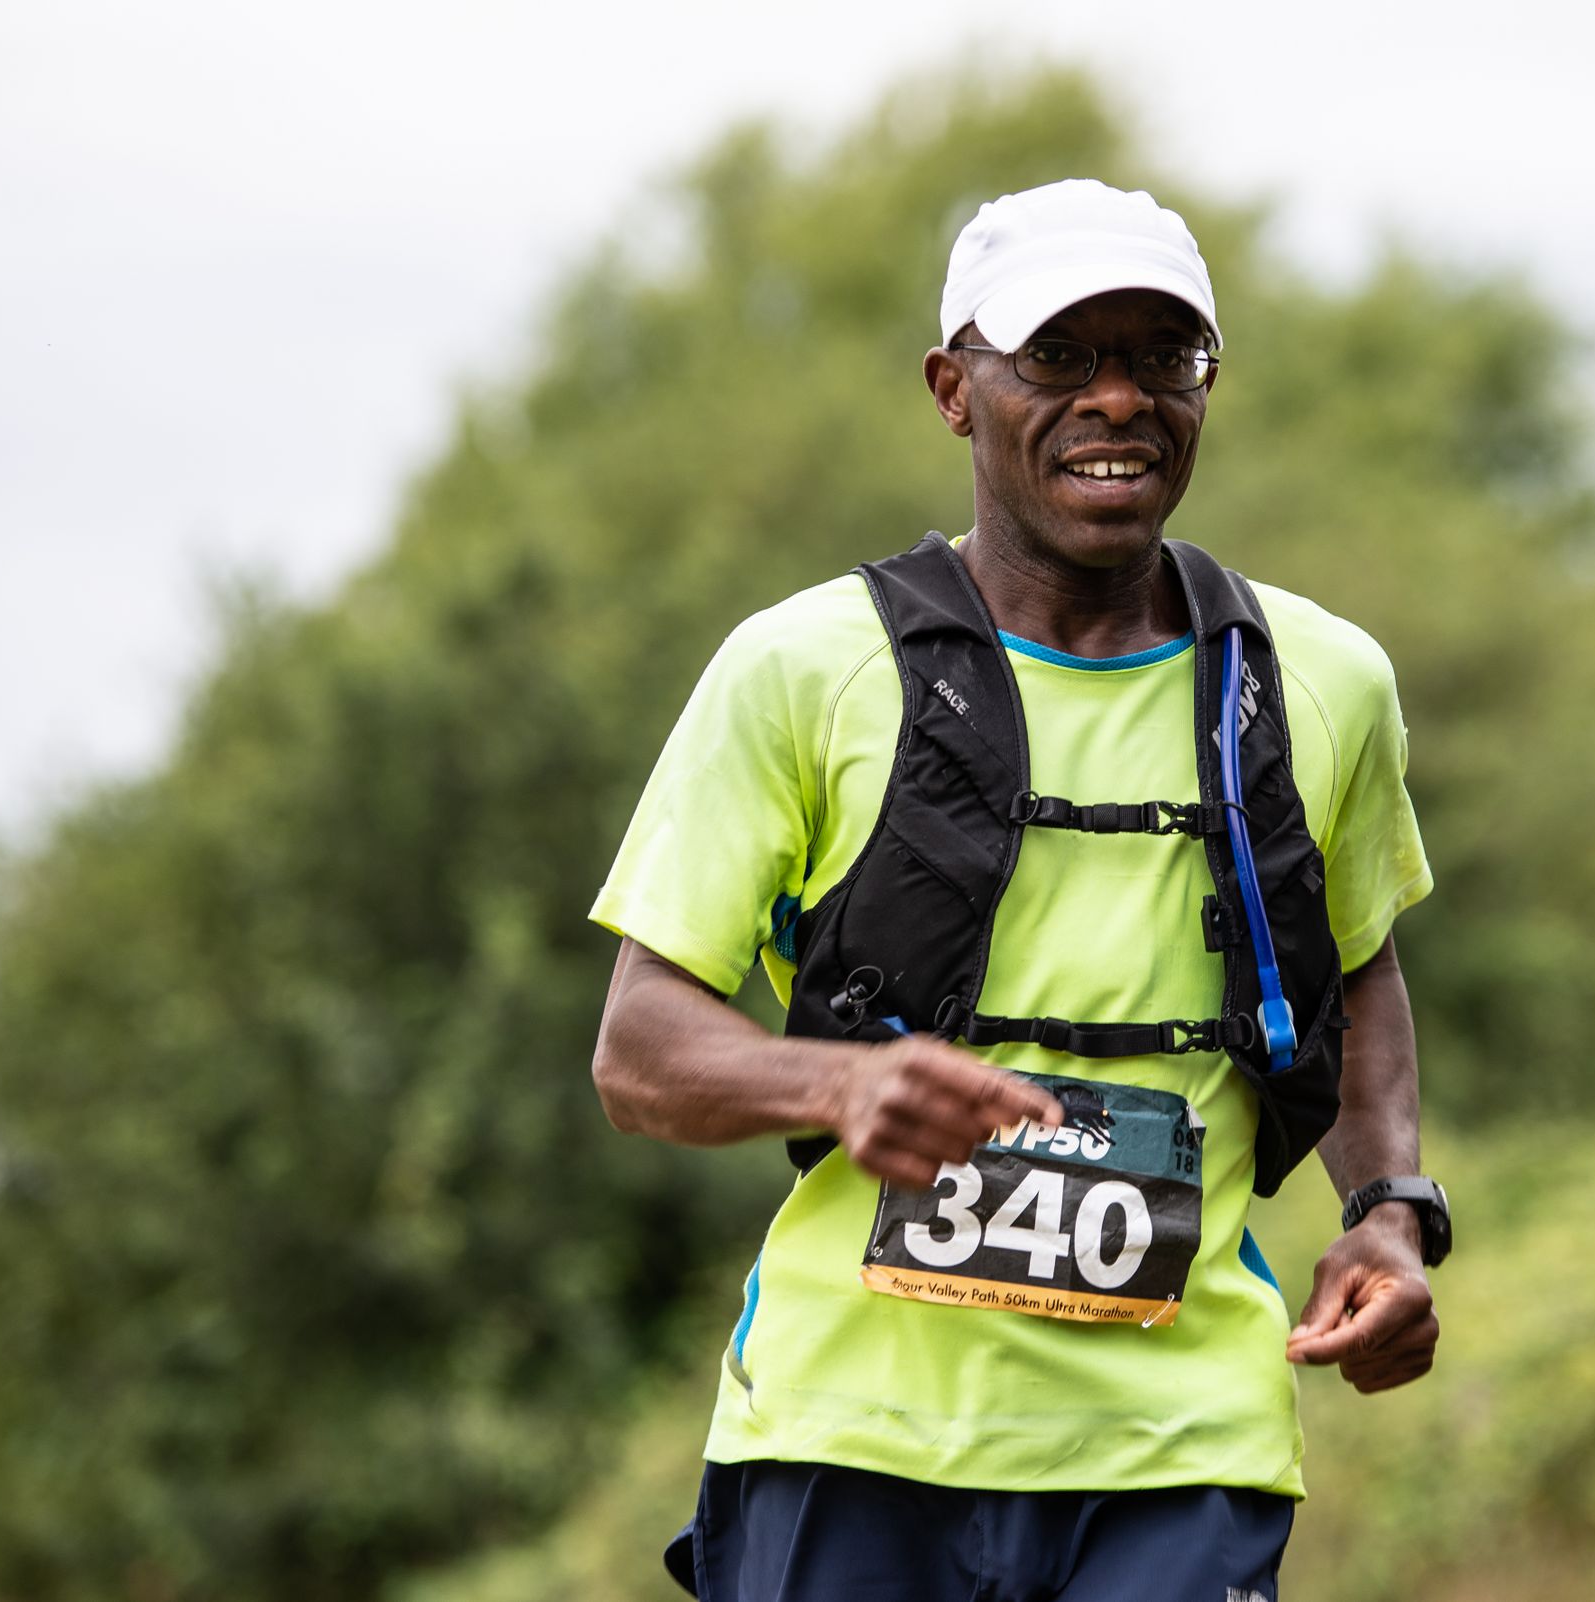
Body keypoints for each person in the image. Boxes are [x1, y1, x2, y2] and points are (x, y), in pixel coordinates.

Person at [588, 178, 1448, 1602]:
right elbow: (638, 1052)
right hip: (852, 1435)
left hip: (1185, 1450)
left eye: (1162, 357)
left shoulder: (1321, 682)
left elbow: (1359, 972)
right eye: (1058, 356)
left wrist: (1390, 1213)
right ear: (954, 389)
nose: (1117, 398)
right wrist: (838, 1084)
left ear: (1206, 387)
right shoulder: (802, 668)